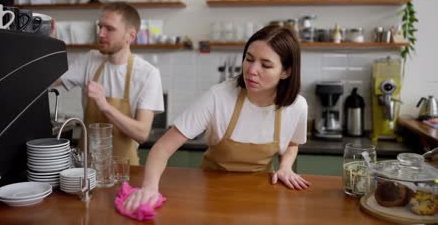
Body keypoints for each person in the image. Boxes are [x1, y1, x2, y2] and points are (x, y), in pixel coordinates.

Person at [124, 25, 311, 212]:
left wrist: (285, 167)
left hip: (262, 193)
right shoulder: (218, 97)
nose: (252, 70)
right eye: (249, 59)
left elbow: (293, 144)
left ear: (286, 72)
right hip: (212, 191)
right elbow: (163, 147)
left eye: (266, 65)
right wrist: (149, 188)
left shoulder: (296, 106)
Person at [52, 2, 164, 165]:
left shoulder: (148, 74)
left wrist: (105, 106)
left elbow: (142, 133)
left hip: (124, 171)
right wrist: (47, 42)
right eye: (100, 27)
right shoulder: (90, 59)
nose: (101, 34)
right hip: (85, 171)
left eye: (110, 29)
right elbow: (47, 81)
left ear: (130, 36)